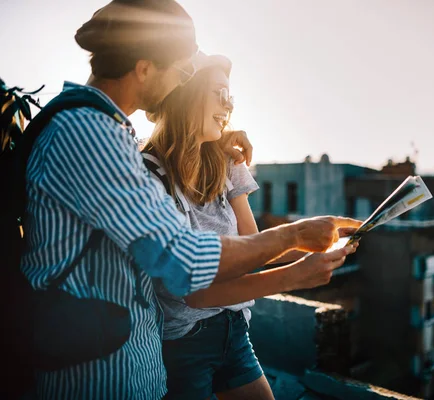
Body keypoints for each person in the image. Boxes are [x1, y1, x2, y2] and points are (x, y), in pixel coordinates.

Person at [19, 1, 361, 399]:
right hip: (99, 378)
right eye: (181, 71)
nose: (180, 83)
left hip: (129, 366)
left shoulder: (101, 129)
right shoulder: (90, 134)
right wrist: (293, 239)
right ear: (145, 66)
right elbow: (186, 262)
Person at [143, 57, 353, 400]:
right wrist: (295, 275)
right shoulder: (148, 176)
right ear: (185, 94)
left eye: (231, 98)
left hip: (235, 330)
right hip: (182, 344)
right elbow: (195, 292)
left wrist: (323, 243)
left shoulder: (228, 161)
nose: (227, 105)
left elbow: (253, 248)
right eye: (219, 93)